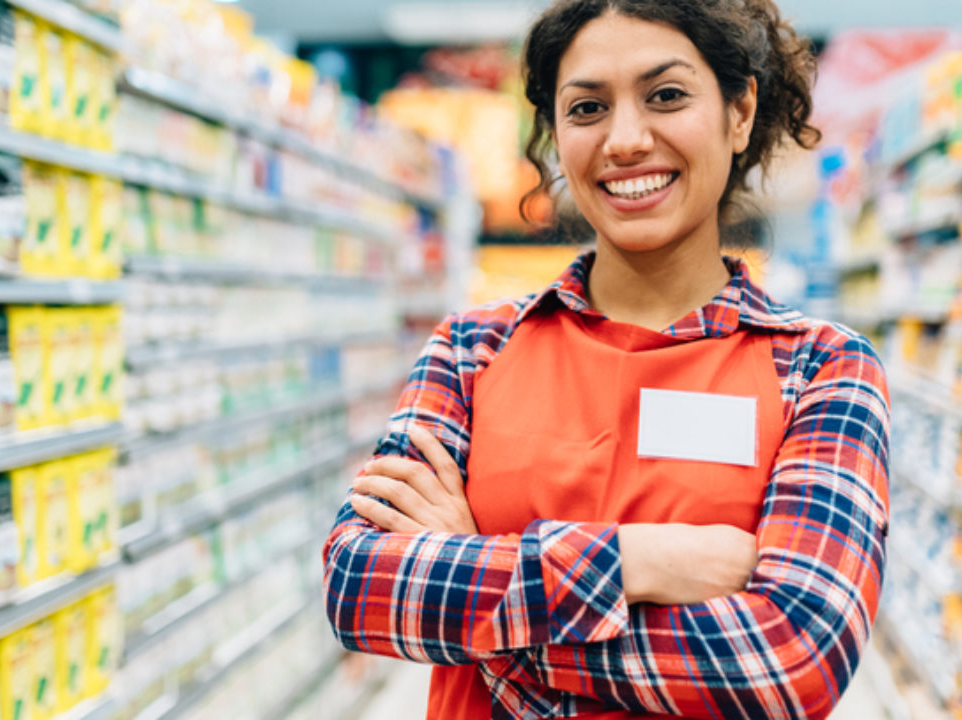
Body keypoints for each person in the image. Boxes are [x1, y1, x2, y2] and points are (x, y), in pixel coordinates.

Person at [322, 1, 890, 718]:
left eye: (667, 96)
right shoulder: (471, 350)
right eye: (587, 106)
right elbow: (358, 585)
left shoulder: (822, 370)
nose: (625, 139)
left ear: (740, 110)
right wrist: (641, 560)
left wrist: (477, 594)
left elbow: (790, 661)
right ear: (556, 135)